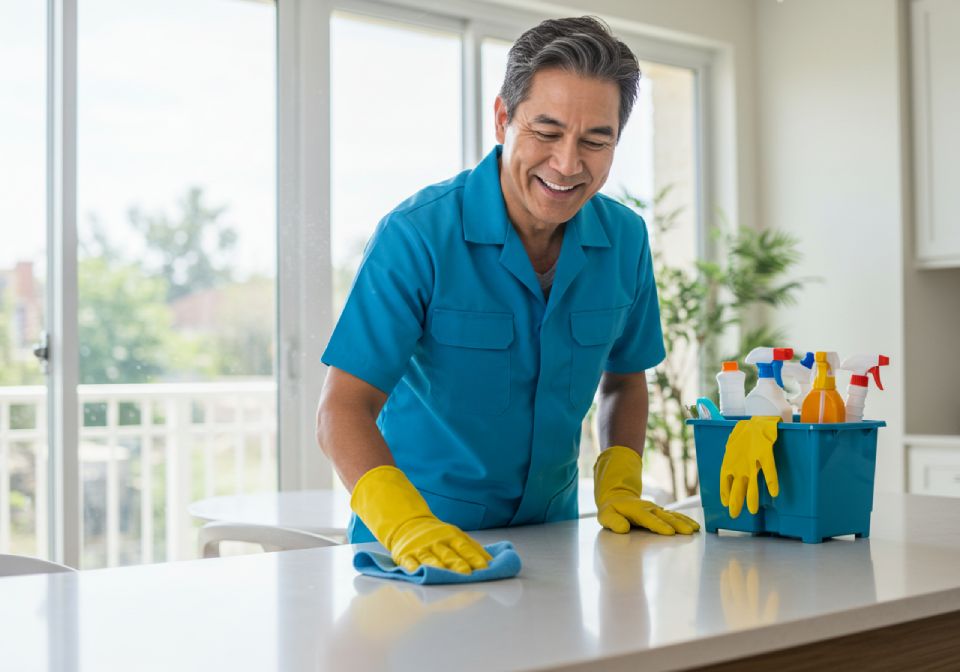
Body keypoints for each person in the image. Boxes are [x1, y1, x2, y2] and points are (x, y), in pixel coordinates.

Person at [317, 15, 699, 575]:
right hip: (417, 551)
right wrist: (404, 524)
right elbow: (343, 408)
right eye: (547, 132)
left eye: (596, 140)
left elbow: (624, 380)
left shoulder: (625, 240)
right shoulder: (417, 235)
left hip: (553, 545)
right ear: (503, 119)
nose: (567, 164)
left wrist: (618, 485)